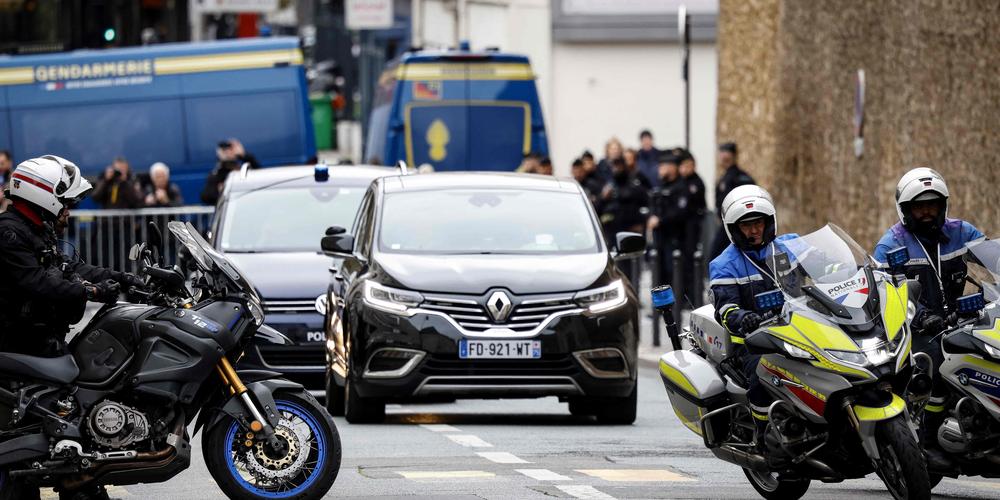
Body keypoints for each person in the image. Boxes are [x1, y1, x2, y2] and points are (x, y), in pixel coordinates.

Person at [872, 167, 984, 470]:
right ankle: (929, 439)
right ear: (905, 210)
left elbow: (990, 257)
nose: (926, 212)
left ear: (942, 206)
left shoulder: (962, 232)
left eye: (932, 205)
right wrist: (922, 316)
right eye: (919, 206)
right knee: (937, 361)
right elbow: (887, 294)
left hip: (960, 320)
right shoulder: (891, 245)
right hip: (913, 328)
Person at [0, 155, 140, 356]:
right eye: (64, 203)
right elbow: (36, 281)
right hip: (16, 344)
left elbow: (69, 265)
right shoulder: (9, 233)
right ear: (42, 195)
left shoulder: (37, 228)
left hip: (41, 336)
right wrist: (93, 292)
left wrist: (124, 278)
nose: (67, 210)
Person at [709, 185, 794, 451]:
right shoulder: (725, 263)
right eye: (746, 226)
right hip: (753, 341)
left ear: (769, 222)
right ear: (734, 228)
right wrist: (743, 318)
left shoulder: (788, 248)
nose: (754, 230)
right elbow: (726, 309)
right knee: (763, 373)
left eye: (758, 223)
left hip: (798, 330)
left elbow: (825, 269)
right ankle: (764, 436)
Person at [597, 157, 649, 286]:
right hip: (613, 232)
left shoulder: (634, 185)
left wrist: (641, 225)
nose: (617, 169)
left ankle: (633, 293)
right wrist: (603, 198)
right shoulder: (609, 187)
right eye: (614, 167)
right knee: (616, 269)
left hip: (630, 232)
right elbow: (599, 208)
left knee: (632, 268)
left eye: (619, 166)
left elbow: (645, 206)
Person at [710, 142, 756, 261]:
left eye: (726, 156)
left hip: (735, 222)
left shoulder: (740, 177)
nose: (723, 159)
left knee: (717, 254)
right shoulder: (725, 176)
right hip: (726, 223)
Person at [647, 154, 683, 289]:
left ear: (673, 167)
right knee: (659, 271)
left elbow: (678, 212)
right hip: (660, 237)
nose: (660, 170)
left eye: (664, 166)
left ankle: (677, 305)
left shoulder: (680, 186)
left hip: (674, 236)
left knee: (672, 271)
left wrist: (660, 220)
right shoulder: (661, 186)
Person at [676, 149, 707, 305]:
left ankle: (693, 297)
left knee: (691, 262)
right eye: (682, 166)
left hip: (692, 228)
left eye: (687, 166)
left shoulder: (696, 183)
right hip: (682, 229)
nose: (684, 169)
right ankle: (684, 295)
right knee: (683, 263)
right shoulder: (682, 182)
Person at [201, 138, 261, 205]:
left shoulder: (244, 169)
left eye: (230, 149)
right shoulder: (217, 174)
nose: (228, 152)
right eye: (224, 150)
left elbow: (260, 175)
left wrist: (243, 155)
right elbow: (206, 197)